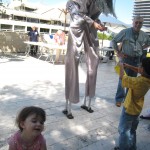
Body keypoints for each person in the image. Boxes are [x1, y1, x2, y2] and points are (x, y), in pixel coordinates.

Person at [63, 0, 116, 119]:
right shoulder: (74, 1)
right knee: (72, 60)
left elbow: (94, 17)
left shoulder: (100, 3)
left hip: (89, 26)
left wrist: (98, 23)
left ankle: (88, 101)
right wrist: (92, 22)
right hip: (77, 24)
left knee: (94, 61)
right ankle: (69, 105)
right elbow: (76, 15)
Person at [112, 15, 150, 107]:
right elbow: (114, 41)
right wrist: (118, 52)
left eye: (140, 23)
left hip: (137, 60)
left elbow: (149, 42)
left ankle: (128, 99)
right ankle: (119, 99)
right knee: (122, 79)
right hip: (126, 59)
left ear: (142, 24)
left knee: (133, 81)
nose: (138, 24)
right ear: (133, 22)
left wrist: (142, 47)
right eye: (136, 22)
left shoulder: (144, 35)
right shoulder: (125, 32)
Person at [114, 57, 150, 150]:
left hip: (129, 109)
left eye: (141, 66)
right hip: (136, 110)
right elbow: (140, 70)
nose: (139, 67)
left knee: (124, 131)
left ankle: (123, 148)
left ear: (144, 70)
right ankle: (132, 147)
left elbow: (123, 78)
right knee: (132, 130)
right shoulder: (146, 79)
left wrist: (121, 67)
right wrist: (128, 66)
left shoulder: (139, 81)